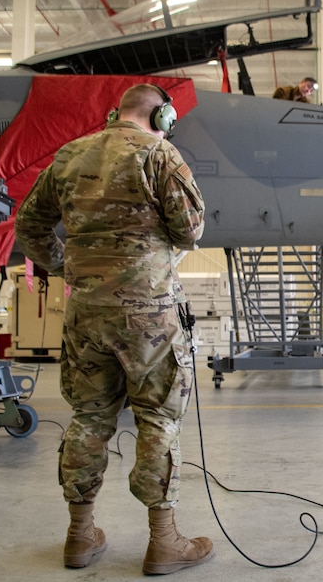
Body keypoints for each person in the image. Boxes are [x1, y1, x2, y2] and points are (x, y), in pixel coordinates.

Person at [14, 83, 212, 575]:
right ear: (163, 116)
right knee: (159, 419)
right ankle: (163, 541)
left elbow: (29, 227)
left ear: (114, 112)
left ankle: (80, 537)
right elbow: (190, 229)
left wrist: (68, 268)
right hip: (151, 318)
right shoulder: (160, 154)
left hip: (86, 315)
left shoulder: (68, 156)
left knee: (88, 417)